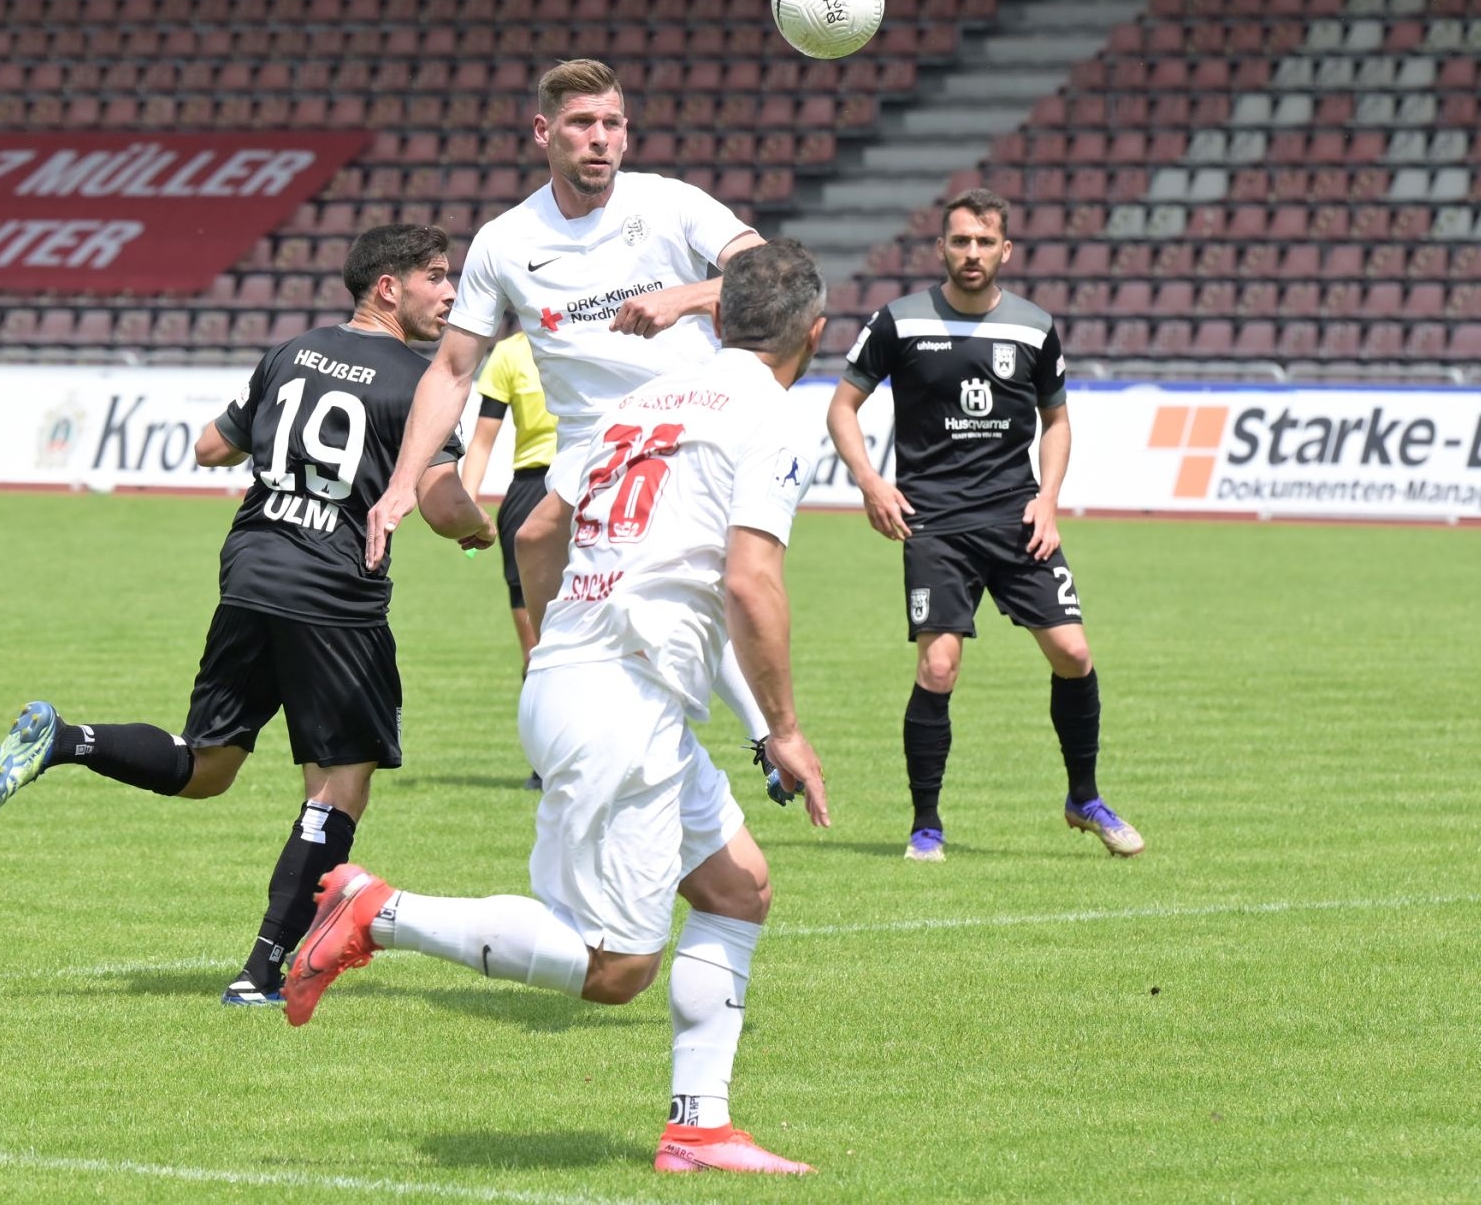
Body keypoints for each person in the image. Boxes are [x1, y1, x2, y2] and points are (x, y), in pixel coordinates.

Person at [284, 241, 832, 1177]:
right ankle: (379, 911)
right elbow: (751, 581)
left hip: (582, 681)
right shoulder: (772, 417)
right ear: (813, 335)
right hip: (623, 703)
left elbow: (539, 530)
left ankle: (699, 1130)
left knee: (739, 888)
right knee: (615, 969)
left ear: (717, 317)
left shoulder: (644, 400)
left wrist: (558, 645)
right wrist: (782, 730)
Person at [0, 224, 496, 1006]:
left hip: (251, 572)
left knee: (208, 768)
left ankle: (67, 740)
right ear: (388, 288)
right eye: (436, 277)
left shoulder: (290, 352)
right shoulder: (418, 384)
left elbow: (209, 448)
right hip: (333, 593)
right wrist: (480, 528)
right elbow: (445, 506)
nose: (450, 293)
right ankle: (260, 973)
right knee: (339, 784)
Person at [363, 58, 779, 777]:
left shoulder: (670, 202)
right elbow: (453, 369)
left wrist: (687, 296)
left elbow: (773, 274)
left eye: (612, 123)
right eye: (582, 123)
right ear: (543, 131)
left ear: (627, 133)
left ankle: (767, 736)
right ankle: (586, 690)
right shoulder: (506, 241)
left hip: (686, 418)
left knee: (644, 581)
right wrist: (403, 484)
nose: (599, 138)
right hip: (592, 439)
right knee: (534, 540)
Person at [826, 188, 1143, 862]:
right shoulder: (898, 322)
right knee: (939, 666)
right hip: (935, 521)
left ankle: (1084, 798)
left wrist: (1048, 498)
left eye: (984, 241)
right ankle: (926, 826)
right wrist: (871, 482)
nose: (972, 253)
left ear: (1006, 250)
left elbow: (1057, 422)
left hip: (1016, 516)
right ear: (941, 247)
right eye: (961, 241)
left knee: (1074, 654)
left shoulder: (1034, 326)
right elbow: (842, 407)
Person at [457, 329, 558, 789]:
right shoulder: (510, 354)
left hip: (597, 483)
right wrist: (466, 508)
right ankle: (546, 760)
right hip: (532, 491)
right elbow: (482, 441)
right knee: (535, 646)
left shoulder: (602, 332)